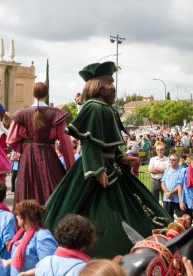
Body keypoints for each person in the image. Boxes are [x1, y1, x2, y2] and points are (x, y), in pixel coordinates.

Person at [44, 61, 172, 258]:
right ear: (95, 85)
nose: (112, 86)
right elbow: (89, 142)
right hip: (96, 169)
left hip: (111, 166)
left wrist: (120, 156)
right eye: (107, 82)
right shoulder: (94, 107)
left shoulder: (106, 108)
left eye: (112, 82)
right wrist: (96, 170)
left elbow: (108, 141)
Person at [7, 82, 75, 206]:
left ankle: (26, 224)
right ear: (46, 94)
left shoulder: (22, 113)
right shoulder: (55, 114)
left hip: (27, 157)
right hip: (48, 156)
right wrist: (71, 168)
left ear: (32, 93)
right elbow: (66, 144)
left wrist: (24, 148)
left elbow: (11, 139)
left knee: (26, 192)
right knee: (51, 190)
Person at [6, 199, 57, 275]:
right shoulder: (23, 233)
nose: (16, 217)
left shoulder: (43, 237)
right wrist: (9, 261)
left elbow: (50, 266)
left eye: (18, 214)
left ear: (26, 217)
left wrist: (27, 273)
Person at [161, 154, 184, 218]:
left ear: (178, 161)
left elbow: (180, 185)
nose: (171, 161)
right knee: (167, 218)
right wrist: (166, 193)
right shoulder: (167, 170)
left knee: (181, 218)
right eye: (170, 160)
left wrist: (171, 193)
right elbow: (163, 183)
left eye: (173, 160)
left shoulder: (182, 170)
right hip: (167, 199)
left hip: (177, 199)